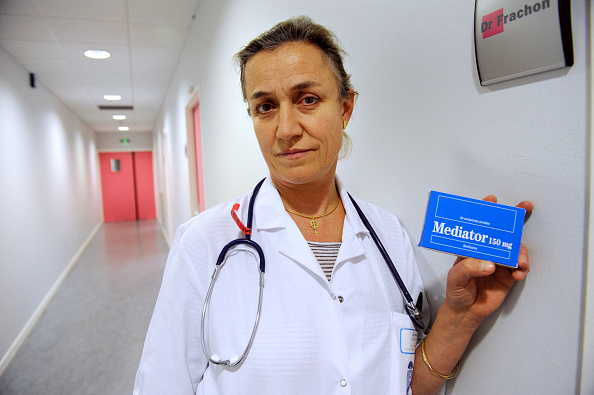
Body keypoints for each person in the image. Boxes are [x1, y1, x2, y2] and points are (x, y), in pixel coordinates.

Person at [134, 16, 532, 395]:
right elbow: (161, 384)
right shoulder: (206, 242)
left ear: (345, 108)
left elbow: (407, 384)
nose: (286, 130)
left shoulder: (389, 236)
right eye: (265, 107)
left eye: (307, 99)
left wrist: (462, 316)